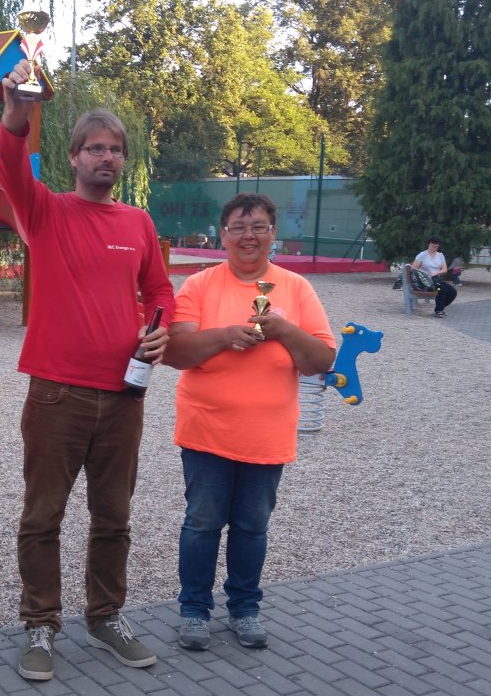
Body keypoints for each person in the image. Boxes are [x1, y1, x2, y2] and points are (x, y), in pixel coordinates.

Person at [0, 58, 175, 681]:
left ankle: (105, 618)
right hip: (57, 395)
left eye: (115, 149)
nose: (106, 157)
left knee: (114, 518)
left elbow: (159, 289)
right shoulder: (44, 211)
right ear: (73, 158)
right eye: (95, 148)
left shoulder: (138, 222)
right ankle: (40, 624)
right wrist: (16, 114)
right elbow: (10, 166)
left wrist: (161, 328)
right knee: (42, 516)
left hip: (124, 396)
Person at [161, 193, 336, 651]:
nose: (248, 236)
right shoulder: (199, 285)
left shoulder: (295, 288)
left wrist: (283, 329)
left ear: (273, 234)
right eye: (238, 227)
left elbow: (321, 360)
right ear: (223, 235)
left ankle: (244, 608)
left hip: (267, 435)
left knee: (252, 527)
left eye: (259, 226)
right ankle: (194, 610)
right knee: (202, 524)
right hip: (207, 430)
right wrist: (224, 336)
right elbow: (176, 353)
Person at [411, 236, 457, 318]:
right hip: (426, 281)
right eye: (433, 246)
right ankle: (439, 310)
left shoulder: (440, 255)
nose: (434, 248)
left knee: (452, 291)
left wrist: (436, 272)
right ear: (429, 244)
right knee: (441, 289)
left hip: (436, 279)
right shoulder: (422, 255)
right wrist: (425, 274)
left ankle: (440, 306)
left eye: (436, 246)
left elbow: (444, 269)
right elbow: (414, 269)